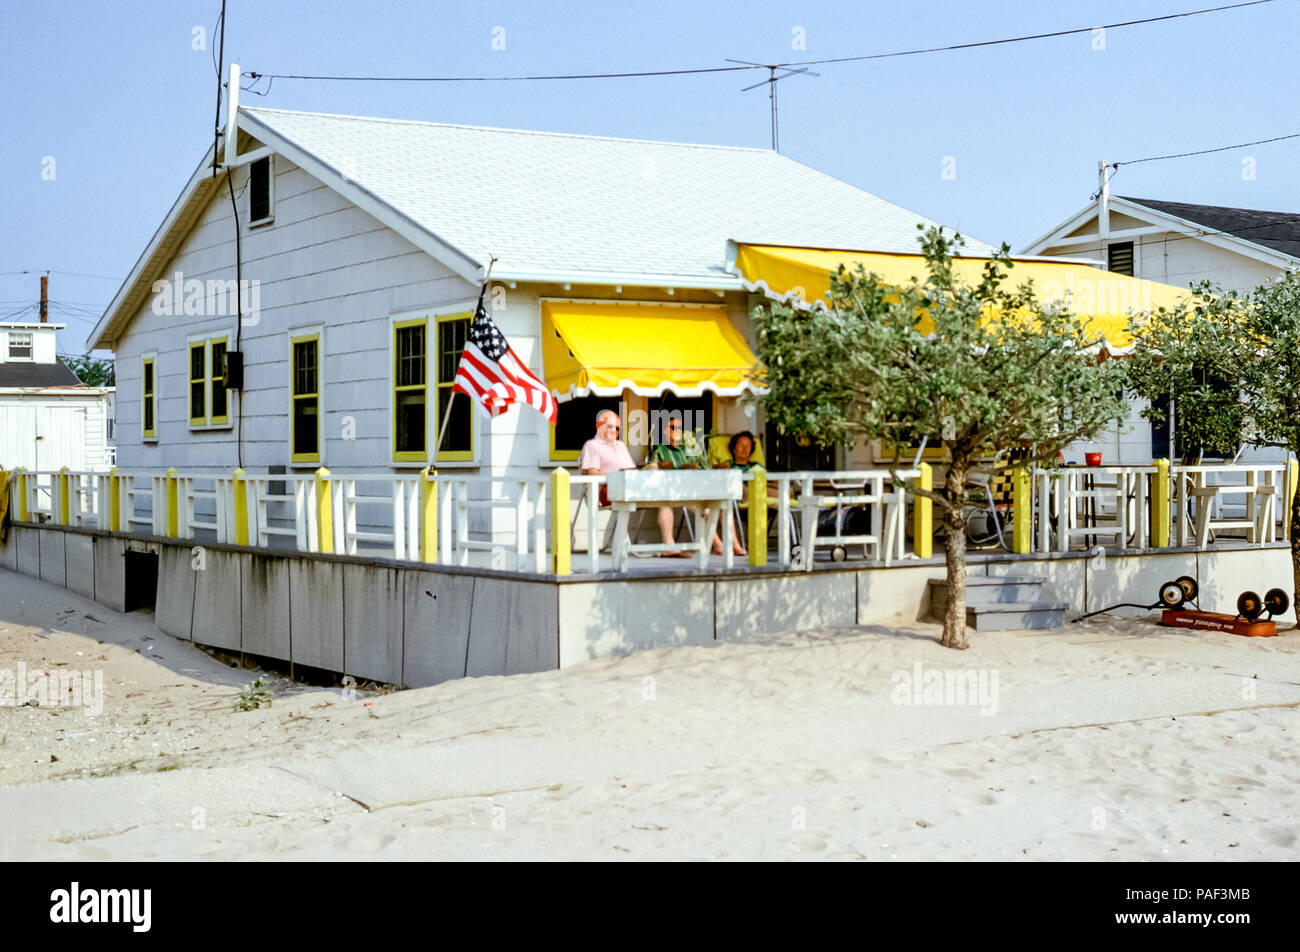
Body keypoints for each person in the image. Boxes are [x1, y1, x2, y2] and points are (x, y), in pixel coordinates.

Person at [653, 417, 744, 558]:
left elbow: (703, 467)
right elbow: (653, 470)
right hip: (674, 490)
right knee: (705, 509)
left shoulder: (687, 449)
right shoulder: (660, 450)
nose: (678, 431)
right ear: (664, 431)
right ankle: (718, 545)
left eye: (680, 428)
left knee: (721, 501)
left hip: (695, 489)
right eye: (673, 428)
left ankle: (734, 544)